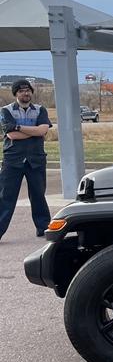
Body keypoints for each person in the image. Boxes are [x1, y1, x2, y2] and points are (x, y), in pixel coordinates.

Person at [0, 79, 53, 241]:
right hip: (12, 160)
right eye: (21, 91)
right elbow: (12, 135)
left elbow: (42, 131)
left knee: (38, 195)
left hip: (35, 159)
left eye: (28, 90)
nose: (26, 93)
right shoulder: (6, 111)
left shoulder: (40, 110)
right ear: (16, 93)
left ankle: (43, 228)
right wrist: (33, 130)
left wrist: (18, 127)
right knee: (5, 196)